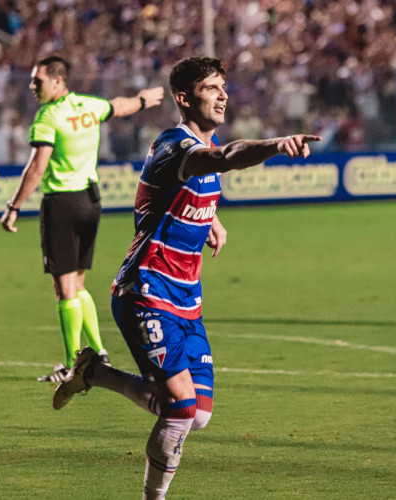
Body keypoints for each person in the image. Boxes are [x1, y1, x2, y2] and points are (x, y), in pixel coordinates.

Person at [52, 57, 321, 499]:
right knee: (179, 409)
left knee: (198, 415)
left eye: (223, 87)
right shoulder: (174, 148)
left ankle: (94, 373)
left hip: (186, 299)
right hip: (146, 290)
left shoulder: (199, 158)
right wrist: (275, 144)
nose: (222, 95)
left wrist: (210, 221)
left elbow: (187, 194)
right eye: (210, 87)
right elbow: (224, 157)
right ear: (183, 98)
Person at [0, 55, 165, 382]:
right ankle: (99, 351)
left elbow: (36, 167)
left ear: (58, 81)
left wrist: (13, 205)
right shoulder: (88, 105)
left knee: (64, 289)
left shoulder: (48, 116)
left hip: (61, 203)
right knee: (77, 284)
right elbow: (117, 106)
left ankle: (70, 364)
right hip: (90, 202)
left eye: (38, 81)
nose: (33, 87)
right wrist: (143, 100)